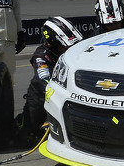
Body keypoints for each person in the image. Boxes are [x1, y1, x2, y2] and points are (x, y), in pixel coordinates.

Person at [13, 16, 83, 145]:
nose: (71, 49)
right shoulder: (41, 56)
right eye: (66, 46)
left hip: (72, 89)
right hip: (42, 94)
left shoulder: (78, 49)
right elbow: (44, 80)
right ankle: (21, 125)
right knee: (24, 139)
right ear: (53, 44)